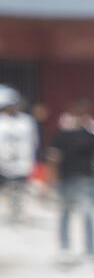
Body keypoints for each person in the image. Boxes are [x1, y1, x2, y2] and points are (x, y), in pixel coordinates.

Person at [46, 101, 94, 264]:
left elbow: (53, 158)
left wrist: (51, 177)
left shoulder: (61, 135)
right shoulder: (91, 135)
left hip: (66, 179)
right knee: (86, 215)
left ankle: (65, 247)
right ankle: (90, 250)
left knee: (65, 214)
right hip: (86, 179)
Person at [0, 89, 36, 224]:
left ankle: (18, 213)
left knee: (20, 190)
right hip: (3, 163)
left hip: (22, 162)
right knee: (6, 191)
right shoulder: (1, 122)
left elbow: (33, 141)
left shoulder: (26, 121)